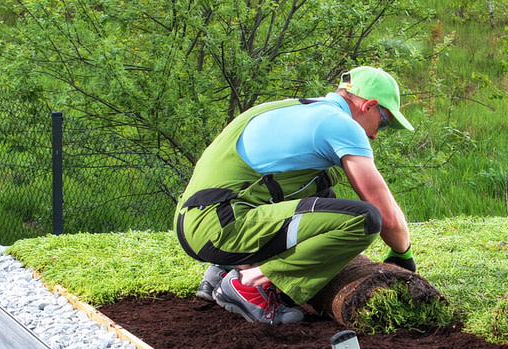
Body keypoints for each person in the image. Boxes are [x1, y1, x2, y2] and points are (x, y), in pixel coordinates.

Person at [174, 66, 419, 324]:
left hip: (198, 220)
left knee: (325, 193)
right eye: (383, 122)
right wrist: (403, 255)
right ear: (368, 105)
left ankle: (223, 269)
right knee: (364, 220)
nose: (376, 134)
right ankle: (249, 284)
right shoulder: (340, 124)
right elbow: (386, 217)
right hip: (221, 227)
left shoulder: (288, 109)